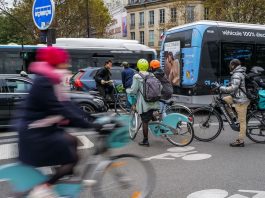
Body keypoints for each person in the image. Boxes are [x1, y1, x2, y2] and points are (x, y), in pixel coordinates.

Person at [14, 47, 98, 198]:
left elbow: (68, 105)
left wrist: (92, 118)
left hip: (43, 129)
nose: (67, 64)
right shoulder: (45, 81)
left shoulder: (51, 79)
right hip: (35, 133)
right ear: (57, 63)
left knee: (73, 141)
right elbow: (60, 108)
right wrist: (90, 125)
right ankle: (44, 187)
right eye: (64, 62)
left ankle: (68, 180)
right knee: (72, 158)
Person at [126, 59, 160, 147]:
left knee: (145, 121)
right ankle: (159, 129)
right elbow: (160, 87)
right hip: (154, 100)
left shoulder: (137, 76)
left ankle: (145, 141)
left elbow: (133, 90)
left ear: (138, 66)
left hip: (144, 103)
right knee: (150, 115)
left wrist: (128, 90)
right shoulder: (151, 75)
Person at [219, 59, 250, 147]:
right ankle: (233, 117)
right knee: (224, 100)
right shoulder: (239, 72)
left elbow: (233, 88)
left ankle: (240, 141)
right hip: (236, 97)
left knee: (242, 121)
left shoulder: (237, 74)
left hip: (241, 100)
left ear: (233, 65)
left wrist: (221, 88)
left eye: (230, 65)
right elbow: (236, 85)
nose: (229, 66)